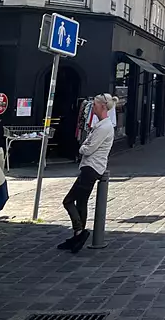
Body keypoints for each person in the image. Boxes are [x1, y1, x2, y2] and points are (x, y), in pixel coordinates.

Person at [59, 94, 116, 253]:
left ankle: (80, 231)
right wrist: (85, 146)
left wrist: (82, 148)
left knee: (68, 201)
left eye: (95, 105)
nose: (93, 108)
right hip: (91, 167)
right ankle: (77, 237)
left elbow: (89, 148)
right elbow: (88, 143)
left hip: (92, 168)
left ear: (102, 107)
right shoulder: (101, 125)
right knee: (81, 201)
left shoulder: (104, 127)